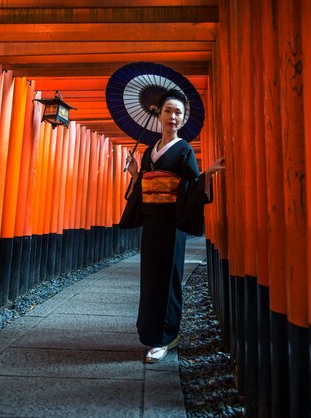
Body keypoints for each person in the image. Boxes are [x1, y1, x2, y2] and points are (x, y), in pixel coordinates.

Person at [125, 89, 225, 363]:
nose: (173, 116)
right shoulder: (148, 152)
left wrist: (207, 174)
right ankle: (149, 334)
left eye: (178, 112)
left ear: (182, 120)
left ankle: (164, 337)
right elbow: (142, 185)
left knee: (168, 279)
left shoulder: (184, 150)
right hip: (151, 220)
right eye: (168, 110)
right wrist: (136, 174)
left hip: (172, 222)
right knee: (150, 278)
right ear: (159, 114)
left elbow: (191, 185)